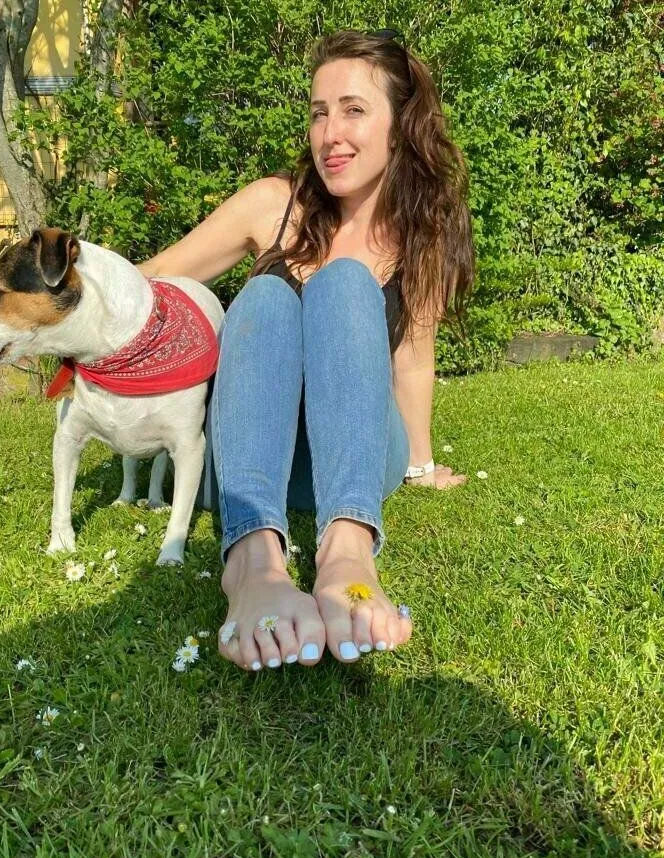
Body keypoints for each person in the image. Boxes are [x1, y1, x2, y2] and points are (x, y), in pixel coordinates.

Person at [137, 29, 474, 672]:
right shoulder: (274, 204)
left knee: (344, 282)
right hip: (252, 453)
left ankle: (348, 550)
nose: (330, 134)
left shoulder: (423, 236)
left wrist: (421, 465)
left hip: (357, 456)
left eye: (353, 110)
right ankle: (253, 561)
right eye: (319, 113)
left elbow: (412, 361)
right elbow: (150, 284)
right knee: (264, 298)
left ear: (401, 126)